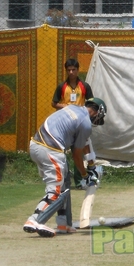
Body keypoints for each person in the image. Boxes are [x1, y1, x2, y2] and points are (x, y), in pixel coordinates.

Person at [23, 97, 107, 237]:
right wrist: (85, 176)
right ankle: (34, 220)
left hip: (36, 146)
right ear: (97, 112)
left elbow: (85, 142)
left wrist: (92, 167)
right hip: (50, 150)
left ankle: (64, 224)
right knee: (55, 192)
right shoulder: (85, 123)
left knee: (65, 184)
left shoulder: (73, 108)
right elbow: (76, 155)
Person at [52, 58, 95, 189]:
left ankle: (80, 181)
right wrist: (65, 107)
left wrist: (84, 112)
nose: (71, 72)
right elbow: (54, 103)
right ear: (66, 71)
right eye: (69, 70)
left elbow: (91, 103)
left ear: (78, 70)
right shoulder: (62, 87)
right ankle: (63, 182)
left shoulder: (85, 86)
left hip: (80, 124)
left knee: (79, 152)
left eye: (73, 69)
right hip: (65, 124)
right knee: (62, 153)